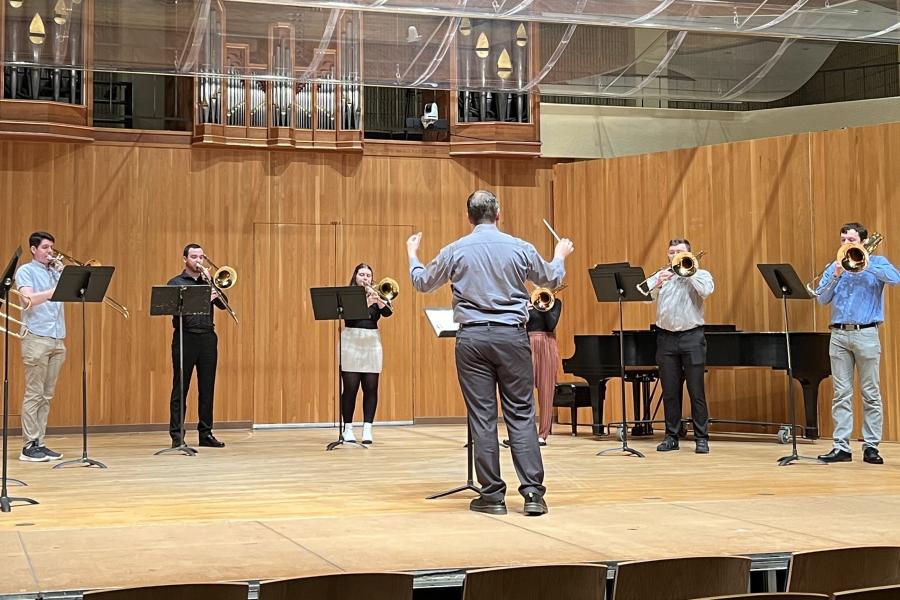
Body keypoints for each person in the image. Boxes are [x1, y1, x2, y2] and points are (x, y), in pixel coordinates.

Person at [408, 190, 574, 516]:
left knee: (482, 418)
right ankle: (532, 495)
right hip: (512, 338)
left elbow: (422, 282)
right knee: (521, 414)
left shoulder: (455, 250)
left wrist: (412, 253)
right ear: (498, 214)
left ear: (469, 217)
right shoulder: (519, 247)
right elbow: (552, 278)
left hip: (471, 339)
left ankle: (492, 495)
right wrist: (560, 254)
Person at [815, 222, 900, 464]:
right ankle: (841, 447)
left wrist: (867, 263)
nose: (845, 244)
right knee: (841, 394)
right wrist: (836, 273)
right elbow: (822, 299)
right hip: (839, 335)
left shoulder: (877, 263)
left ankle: (871, 446)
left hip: (866, 334)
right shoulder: (834, 267)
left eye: (850, 240)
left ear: (862, 242)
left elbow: (895, 279)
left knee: (870, 393)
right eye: (843, 240)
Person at [646, 238, 714, 454]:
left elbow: (706, 291)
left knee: (696, 390)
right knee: (670, 392)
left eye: (679, 252)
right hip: (665, 338)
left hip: (691, 337)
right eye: (671, 251)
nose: (674, 255)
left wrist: (689, 271)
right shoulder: (662, 275)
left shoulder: (700, 274)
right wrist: (658, 282)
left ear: (689, 254)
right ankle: (671, 436)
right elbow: (644, 296)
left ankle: (701, 438)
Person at [167, 244, 228, 448]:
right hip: (186, 337)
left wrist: (212, 285)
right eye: (194, 257)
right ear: (185, 259)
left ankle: (206, 433)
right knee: (180, 388)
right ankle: (177, 436)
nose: (199, 261)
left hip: (208, 338)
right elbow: (169, 307)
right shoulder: (175, 282)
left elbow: (224, 304)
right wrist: (202, 297)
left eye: (201, 257)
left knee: (207, 388)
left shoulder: (208, 282)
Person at [16, 231, 66, 462]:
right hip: (36, 337)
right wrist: (53, 291)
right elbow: (28, 301)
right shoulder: (25, 271)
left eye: (51, 248)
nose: (50, 252)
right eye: (45, 248)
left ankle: (40, 442)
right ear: (34, 249)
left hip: (57, 337)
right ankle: (29, 445)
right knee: (34, 394)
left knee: (47, 395)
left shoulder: (54, 272)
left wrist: (66, 277)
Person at [340, 263, 393, 444]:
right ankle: (347, 429)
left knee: (371, 387)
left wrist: (379, 301)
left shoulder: (378, 292)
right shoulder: (348, 294)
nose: (365, 278)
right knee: (350, 388)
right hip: (351, 340)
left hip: (372, 341)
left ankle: (367, 429)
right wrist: (366, 303)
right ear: (355, 276)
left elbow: (387, 313)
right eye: (361, 274)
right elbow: (349, 316)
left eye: (368, 275)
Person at [527, 295, 562, 445]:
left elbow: (551, 323)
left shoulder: (555, 303)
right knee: (522, 390)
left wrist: (544, 305)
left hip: (547, 343)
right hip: (526, 341)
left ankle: (542, 434)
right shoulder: (524, 300)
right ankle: (522, 434)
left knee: (546, 391)